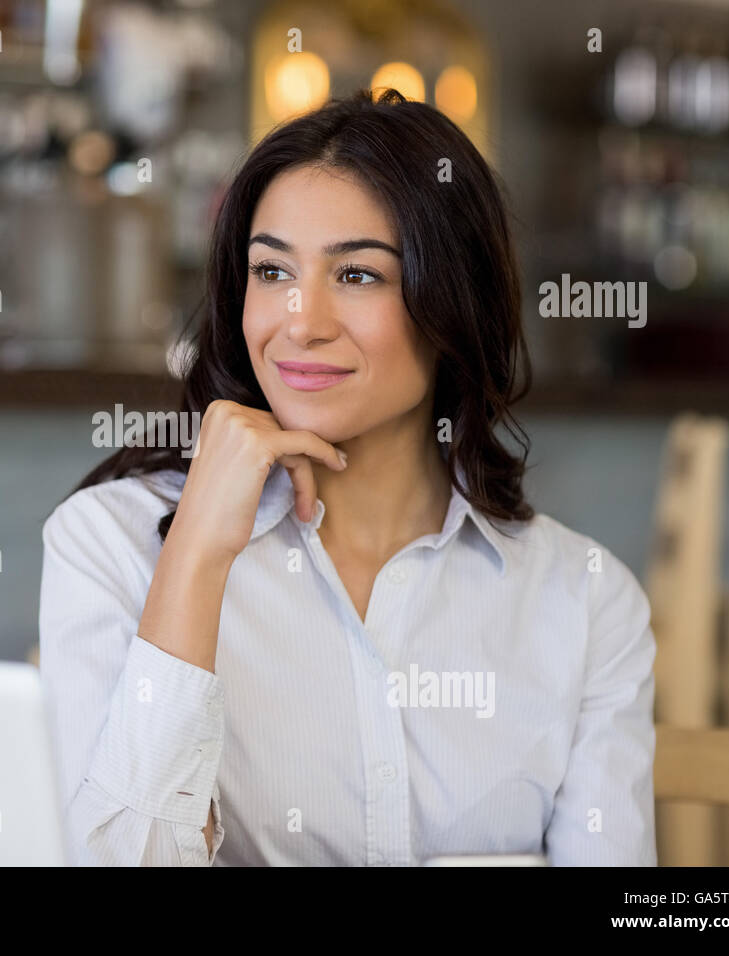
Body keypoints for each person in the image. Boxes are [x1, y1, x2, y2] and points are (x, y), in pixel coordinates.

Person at [38, 88, 656, 866]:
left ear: (454, 302)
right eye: (271, 270)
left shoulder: (588, 602)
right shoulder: (108, 543)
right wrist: (195, 552)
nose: (300, 320)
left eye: (358, 275)